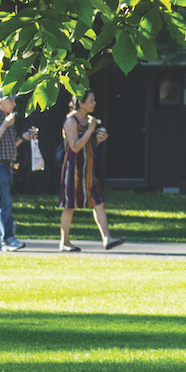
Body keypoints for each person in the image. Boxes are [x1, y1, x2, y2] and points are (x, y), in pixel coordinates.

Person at [58, 93, 119, 254]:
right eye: (91, 100)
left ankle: (107, 238)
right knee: (69, 205)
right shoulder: (71, 121)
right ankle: (65, 242)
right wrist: (90, 130)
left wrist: (97, 139)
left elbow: (87, 144)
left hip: (88, 168)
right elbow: (75, 146)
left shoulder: (88, 120)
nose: (94, 103)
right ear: (81, 102)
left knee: (98, 202)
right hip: (74, 169)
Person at [0, 95, 22, 252]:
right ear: (0, 101)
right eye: (11, 100)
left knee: (4, 204)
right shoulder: (4, 120)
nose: (14, 104)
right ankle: (8, 239)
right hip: (0, 166)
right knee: (5, 205)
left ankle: (4, 240)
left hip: (7, 167)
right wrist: (5, 125)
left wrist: (23, 138)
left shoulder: (7, 119)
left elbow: (8, 145)